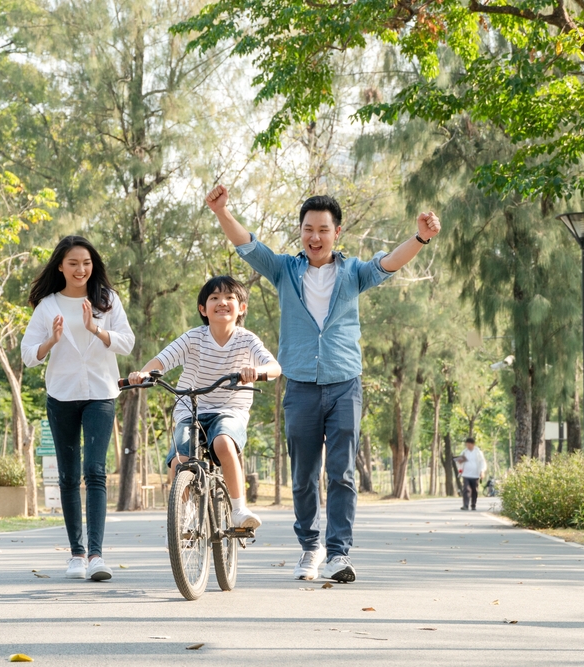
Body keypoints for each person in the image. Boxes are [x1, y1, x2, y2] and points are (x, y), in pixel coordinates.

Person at [205, 184, 440, 582]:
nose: (315, 237)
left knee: (342, 472)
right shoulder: (284, 269)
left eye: (323, 230)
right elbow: (247, 244)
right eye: (308, 229)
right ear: (300, 232)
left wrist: (420, 237)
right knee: (303, 475)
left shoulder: (354, 272)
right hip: (300, 385)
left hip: (344, 383)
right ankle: (310, 547)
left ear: (337, 232)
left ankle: (338, 554)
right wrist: (222, 212)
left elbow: (390, 263)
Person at [21, 236, 135, 581]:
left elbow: (127, 343)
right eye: (73, 263)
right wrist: (51, 341)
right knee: (68, 476)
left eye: (86, 263)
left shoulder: (107, 300)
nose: (80, 269)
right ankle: (77, 555)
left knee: (95, 470)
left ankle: (97, 555)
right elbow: (28, 355)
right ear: (60, 266)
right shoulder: (47, 306)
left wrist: (95, 329)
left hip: (100, 393)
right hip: (62, 394)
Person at [127, 276, 281, 529]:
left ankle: (239, 509)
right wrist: (143, 374)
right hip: (191, 408)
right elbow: (161, 361)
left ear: (241, 308)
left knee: (223, 443)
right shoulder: (193, 338)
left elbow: (274, 367)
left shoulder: (247, 340)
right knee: (180, 460)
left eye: (230, 297)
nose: (222, 302)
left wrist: (257, 371)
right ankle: (185, 516)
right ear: (203, 309)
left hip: (230, 410)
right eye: (214, 298)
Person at [457, 437, 487, 511]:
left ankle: (473, 504)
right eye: (467, 445)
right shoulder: (464, 452)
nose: (468, 446)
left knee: (474, 490)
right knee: (466, 489)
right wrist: (459, 463)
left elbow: (482, 462)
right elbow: (459, 462)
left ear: (473, 444)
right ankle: (465, 505)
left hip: (475, 474)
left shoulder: (478, 452)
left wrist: (482, 471)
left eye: (469, 445)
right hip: (466, 474)